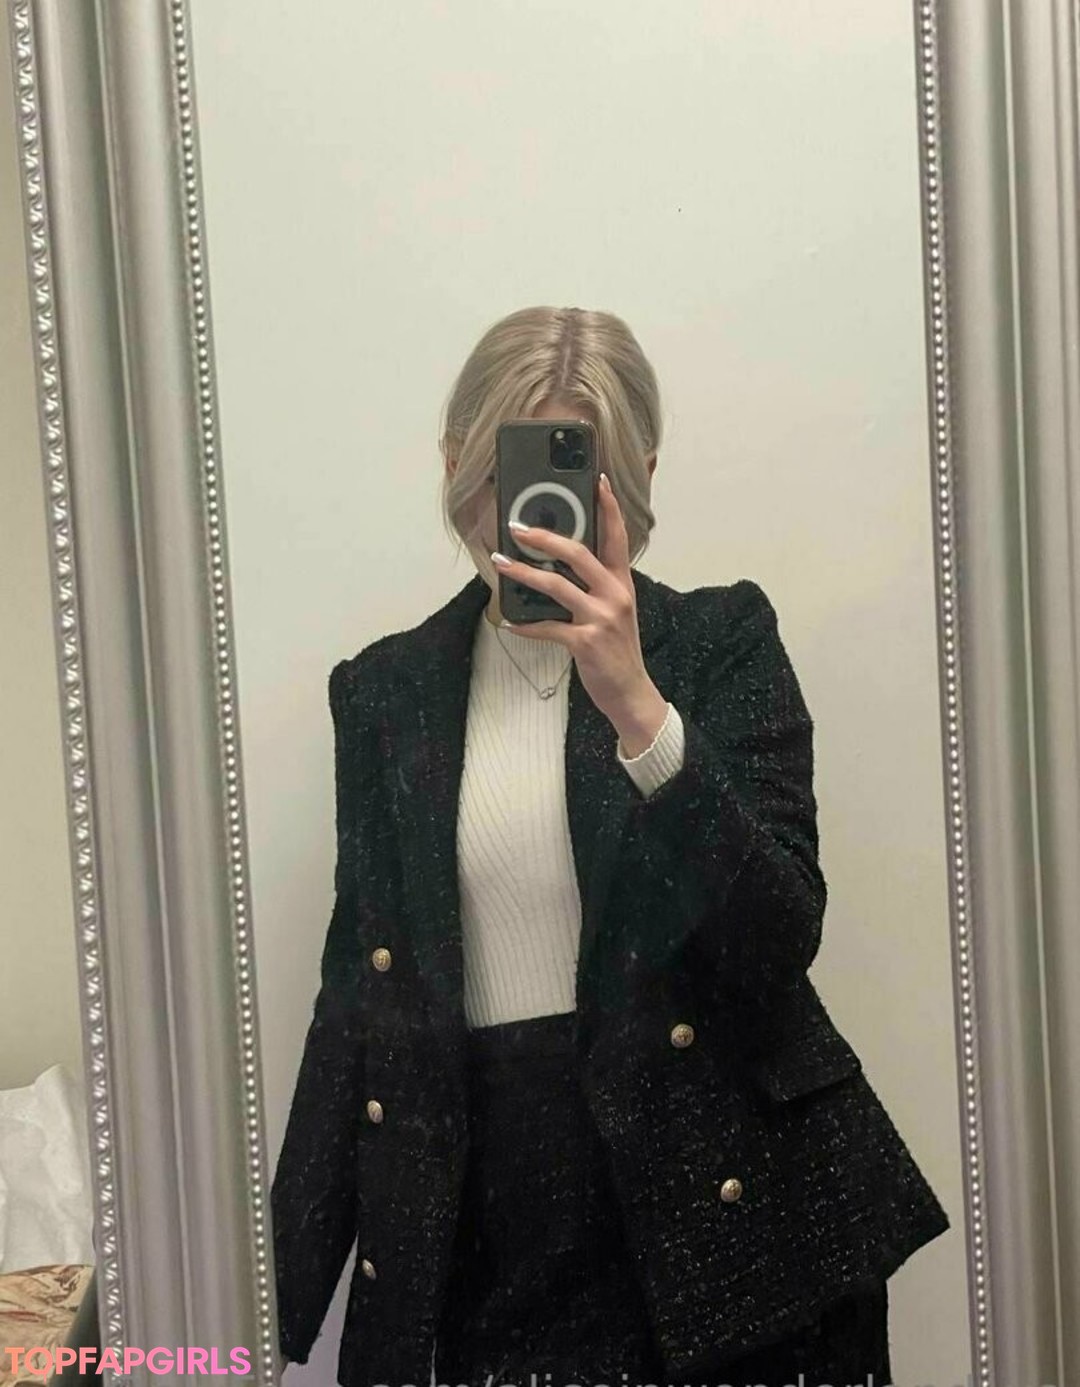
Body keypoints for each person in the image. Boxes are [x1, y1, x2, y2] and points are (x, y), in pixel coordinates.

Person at [271, 306, 950, 1387]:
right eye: (505, 467)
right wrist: (267, 1299)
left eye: (572, 472)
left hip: (724, 1217)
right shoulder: (385, 694)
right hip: (494, 1217)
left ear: (635, 478)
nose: (530, 509)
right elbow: (362, 993)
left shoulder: (718, 643)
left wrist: (638, 706)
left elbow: (779, 936)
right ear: (456, 464)